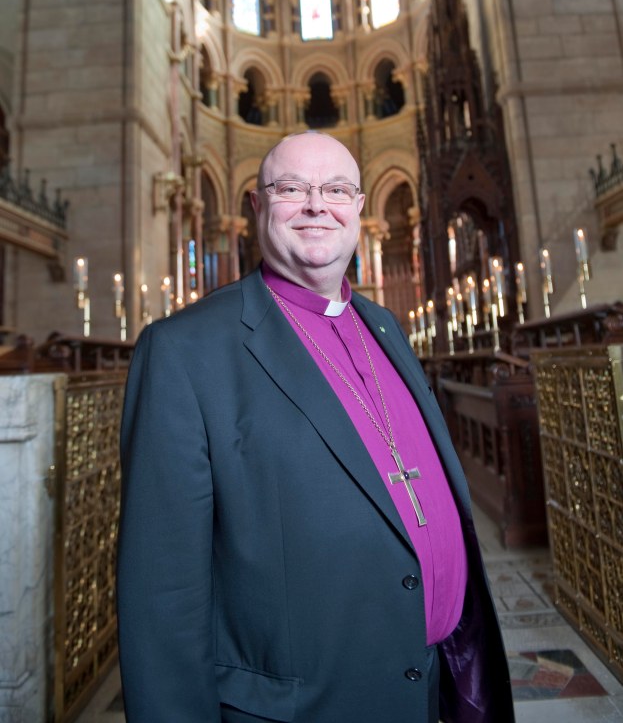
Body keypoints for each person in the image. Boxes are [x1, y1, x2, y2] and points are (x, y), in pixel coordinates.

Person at [116, 131, 515, 723]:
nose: (315, 205)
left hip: (432, 684)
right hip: (300, 708)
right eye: (290, 188)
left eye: (335, 189)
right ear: (257, 207)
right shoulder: (184, 351)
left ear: (359, 207)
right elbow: (161, 598)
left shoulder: (384, 328)